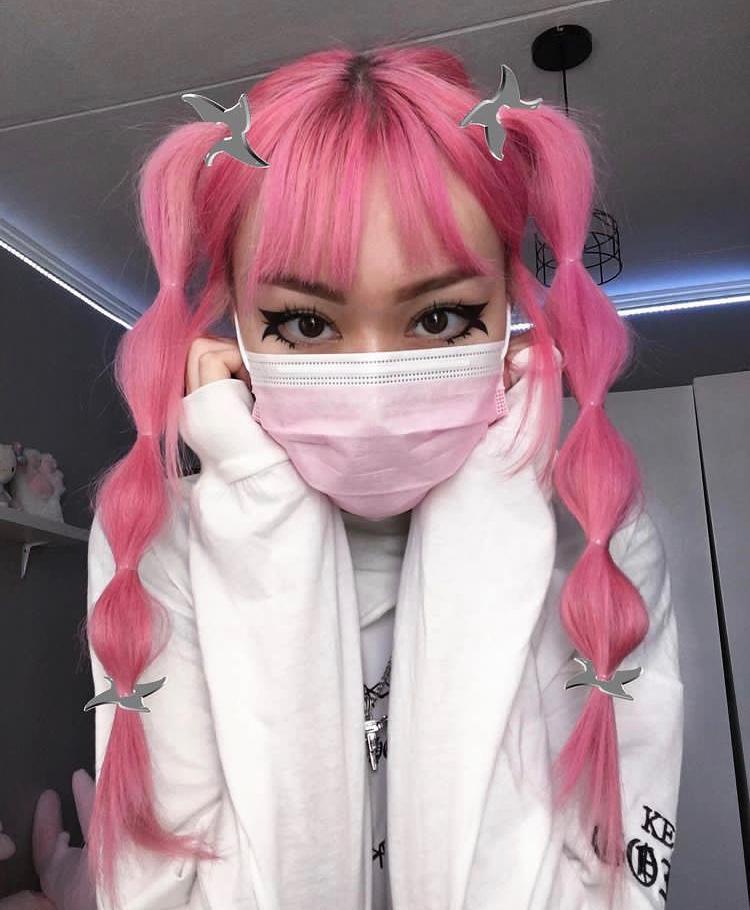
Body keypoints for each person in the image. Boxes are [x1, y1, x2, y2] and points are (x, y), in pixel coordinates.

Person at [84, 45, 684, 910]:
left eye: (440, 318)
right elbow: (156, 886)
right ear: (236, 329)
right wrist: (256, 500)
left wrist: (497, 491)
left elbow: (616, 878)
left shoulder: (590, 532)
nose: (372, 377)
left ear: (509, 317)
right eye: (304, 324)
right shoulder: (159, 539)